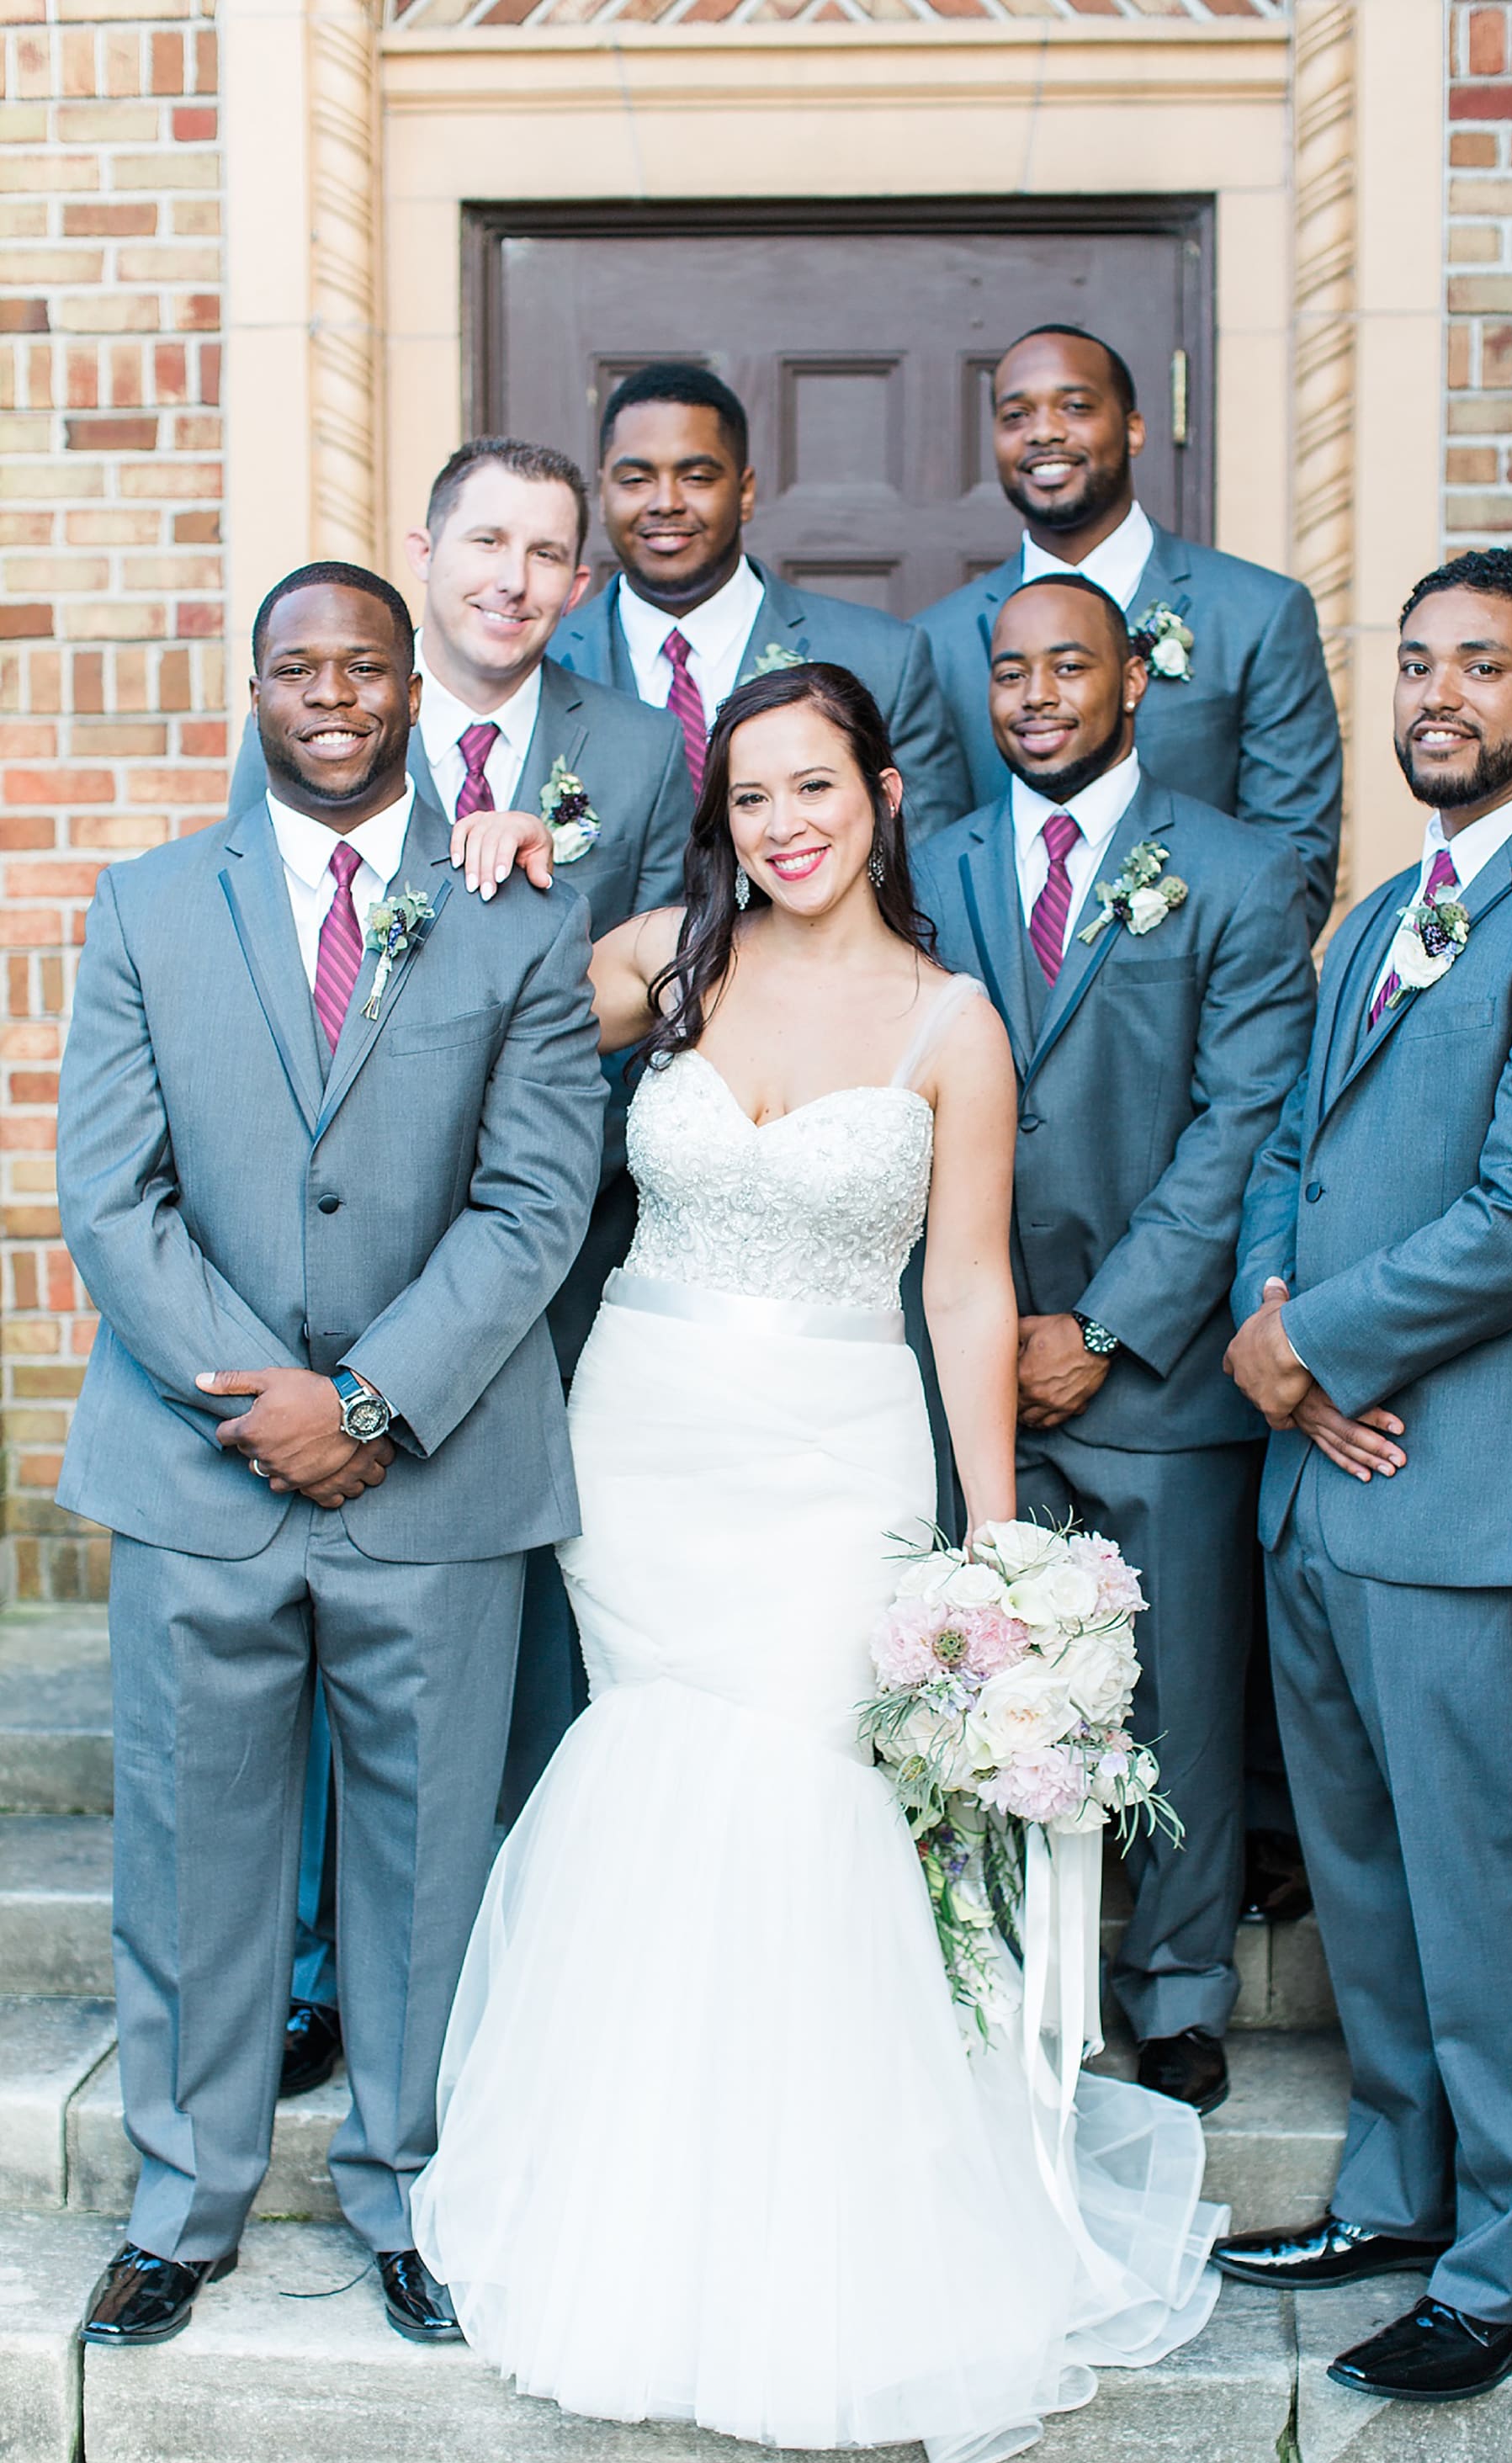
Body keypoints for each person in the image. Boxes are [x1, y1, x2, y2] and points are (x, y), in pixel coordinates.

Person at [409, 662, 1228, 2463]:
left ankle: (819, 2236)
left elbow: (964, 1288)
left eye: (815, 788)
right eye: (751, 797)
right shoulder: (664, 963)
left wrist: (999, 1543)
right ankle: (639, 2203)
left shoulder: (951, 1026)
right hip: (645, 1444)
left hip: (835, 1460)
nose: (783, 826)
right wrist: (496, 850)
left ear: (877, 793)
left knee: (800, 1796)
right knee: (662, 1786)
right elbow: (470, 999)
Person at [60, 562, 605, 2350]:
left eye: (361, 664)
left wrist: (365, 1402)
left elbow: (536, 1202)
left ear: (409, 688)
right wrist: (264, 1400)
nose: (330, 692)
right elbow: (109, 1195)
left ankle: (411, 2192)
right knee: (195, 1858)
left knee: (425, 1861)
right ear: (258, 684)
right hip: (198, 1475)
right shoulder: (145, 906)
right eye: (297, 665)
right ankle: (179, 2203)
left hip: (435, 1483)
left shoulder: (517, 917)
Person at [1217, 549, 1512, 2401]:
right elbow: (1290, 1150)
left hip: (1483, 1487)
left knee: (1487, 1883)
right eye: (1415, 664)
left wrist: (1313, 1342)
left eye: (1478, 666)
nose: (1435, 697)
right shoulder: (1379, 913)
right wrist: (1269, 1322)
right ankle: (1402, 2185)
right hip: (1328, 1474)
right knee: (1368, 1872)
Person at [229, 438, 690, 2095]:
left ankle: (489, 1952)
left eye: (547, 550)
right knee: (322, 1626)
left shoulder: (634, 756)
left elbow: (661, 999)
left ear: (582, 582)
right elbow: (263, 993)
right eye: (484, 538)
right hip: (335, 1284)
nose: (511, 572)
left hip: (539, 1259)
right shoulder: (327, 715)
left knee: (501, 1638)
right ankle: (305, 1973)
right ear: (425, 549)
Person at [914, 576, 1315, 2120]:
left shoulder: (1236, 868)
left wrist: (1105, 1321)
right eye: (1008, 671)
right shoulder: (929, 870)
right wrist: (985, 1324)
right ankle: (1003, 1967)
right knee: (982, 1682)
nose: (1032, 696)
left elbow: (1243, 1123)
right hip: (963, 1354)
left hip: (1153, 1365)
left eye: (1066, 666)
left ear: (1134, 680)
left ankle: (1182, 1987)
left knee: (1183, 1701)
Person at [915, 325, 1343, 940]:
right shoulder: (938, 642)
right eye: (1016, 415)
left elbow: (1292, 863)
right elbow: (932, 875)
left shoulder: (1258, 614)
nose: (1043, 432)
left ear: (1135, 429)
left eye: (1076, 407)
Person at [549, 363, 968, 841]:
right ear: (602, 495)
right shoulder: (546, 661)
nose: (665, 502)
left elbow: (924, 866)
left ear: (745, 492)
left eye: (697, 477)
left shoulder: (885, 660)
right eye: (636, 480)